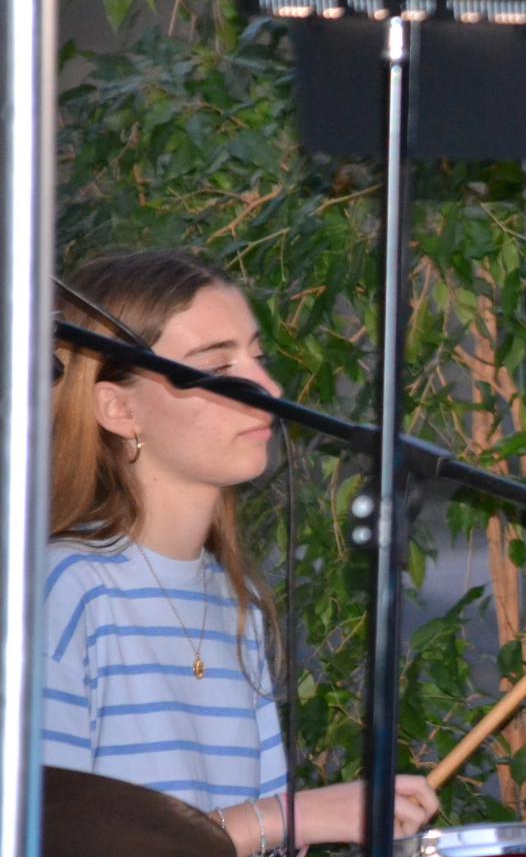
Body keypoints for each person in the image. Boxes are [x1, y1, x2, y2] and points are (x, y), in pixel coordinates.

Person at [42, 250, 440, 854]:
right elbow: (42, 833)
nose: (269, 390)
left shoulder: (238, 600)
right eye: (218, 366)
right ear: (118, 409)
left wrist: (290, 825)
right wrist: (288, 817)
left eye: (258, 358)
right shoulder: (63, 587)